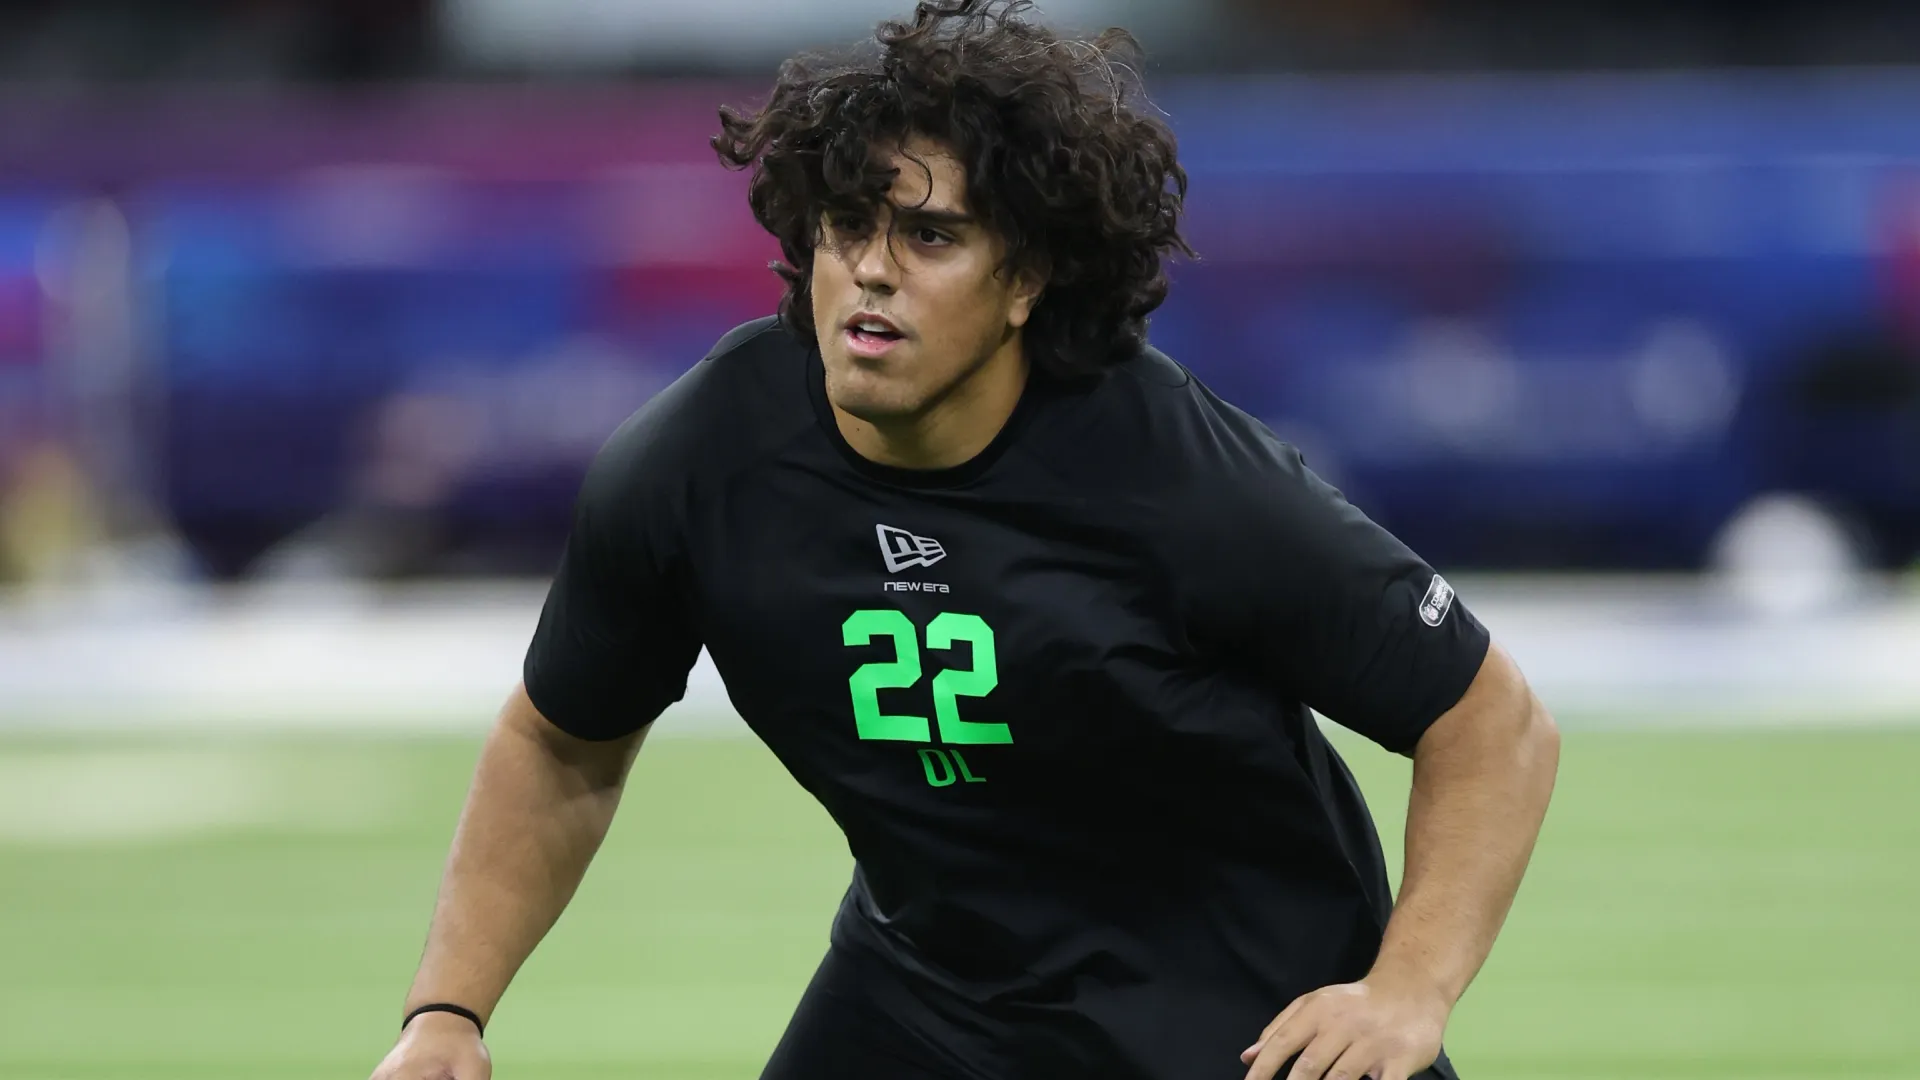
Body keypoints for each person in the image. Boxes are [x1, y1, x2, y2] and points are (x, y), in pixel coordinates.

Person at [367, 2, 1560, 1078]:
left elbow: (1489, 718)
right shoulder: (702, 459)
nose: (871, 272)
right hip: (928, 997)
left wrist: (1409, 990)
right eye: (845, 226)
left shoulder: (1176, 478)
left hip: (1232, 1009)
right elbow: (560, 736)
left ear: (1028, 277)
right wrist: (447, 1016)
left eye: (930, 236)